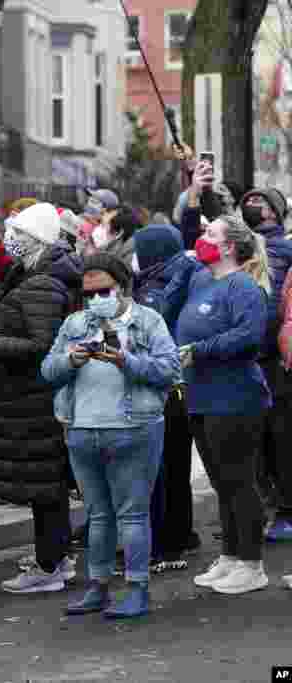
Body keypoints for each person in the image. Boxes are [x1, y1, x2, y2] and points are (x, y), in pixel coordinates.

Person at [43, 254, 181, 618]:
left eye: (103, 290)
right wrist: (70, 360)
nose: (94, 299)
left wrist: (125, 360)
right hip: (82, 430)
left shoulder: (148, 321)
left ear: (122, 286)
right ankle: (98, 587)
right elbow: (47, 369)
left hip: (133, 429)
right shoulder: (75, 322)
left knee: (133, 515)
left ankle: (137, 589)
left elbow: (169, 370)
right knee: (97, 515)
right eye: (87, 293)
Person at [0, 203, 82, 594]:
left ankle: (50, 566)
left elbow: (42, 344)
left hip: (33, 400)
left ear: (36, 241)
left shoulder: (41, 283)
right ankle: (55, 558)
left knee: (44, 489)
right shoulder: (40, 276)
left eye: (17, 235)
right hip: (33, 399)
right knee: (45, 488)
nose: (10, 241)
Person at [176, 215, 273, 595]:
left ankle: (252, 563)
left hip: (235, 398)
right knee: (222, 482)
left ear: (229, 246)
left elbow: (248, 338)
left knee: (239, 482)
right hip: (201, 396)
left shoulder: (244, 286)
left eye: (210, 234)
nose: (202, 239)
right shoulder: (202, 279)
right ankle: (232, 556)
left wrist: (197, 351)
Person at [132, 224, 202, 572]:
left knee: (164, 464)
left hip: (166, 383)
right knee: (176, 464)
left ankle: (166, 541)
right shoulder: (179, 275)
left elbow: (150, 327)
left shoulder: (158, 286)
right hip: (180, 382)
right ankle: (180, 533)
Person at [239, 188, 292, 541]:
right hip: (246, 357)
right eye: (248, 201)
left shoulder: (286, 249)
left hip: (276, 357)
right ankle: (265, 504)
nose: (250, 205)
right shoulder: (239, 246)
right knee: (251, 438)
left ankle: (286, 510)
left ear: (274, 212)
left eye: (259, 202)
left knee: (281, 434)